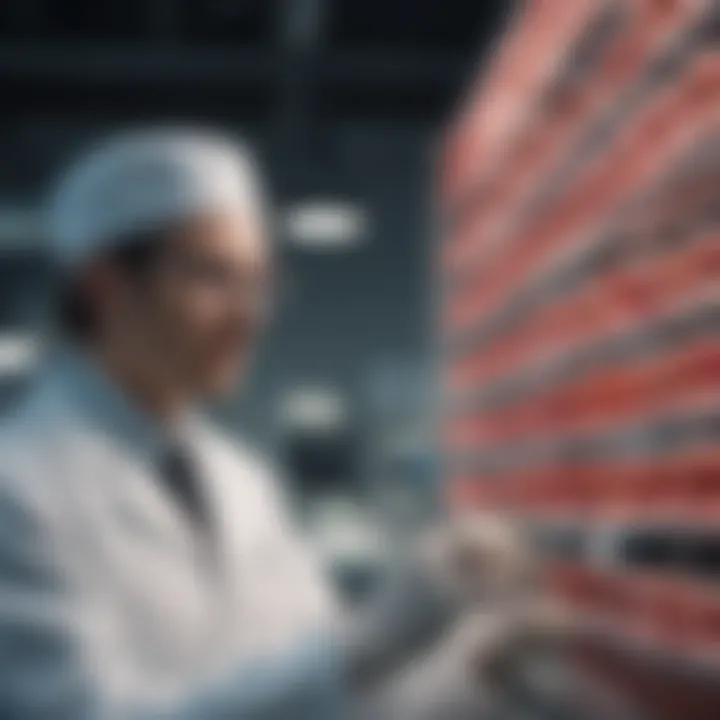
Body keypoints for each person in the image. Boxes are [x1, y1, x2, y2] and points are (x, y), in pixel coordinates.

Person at [0, 128, 510, 719]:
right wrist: (372, 640)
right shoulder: (19, 487)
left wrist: (480, 669)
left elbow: (325, 701)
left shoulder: (241, 480)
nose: (252, 315)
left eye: (260, 282)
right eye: (216, 277)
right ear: (105, 285)